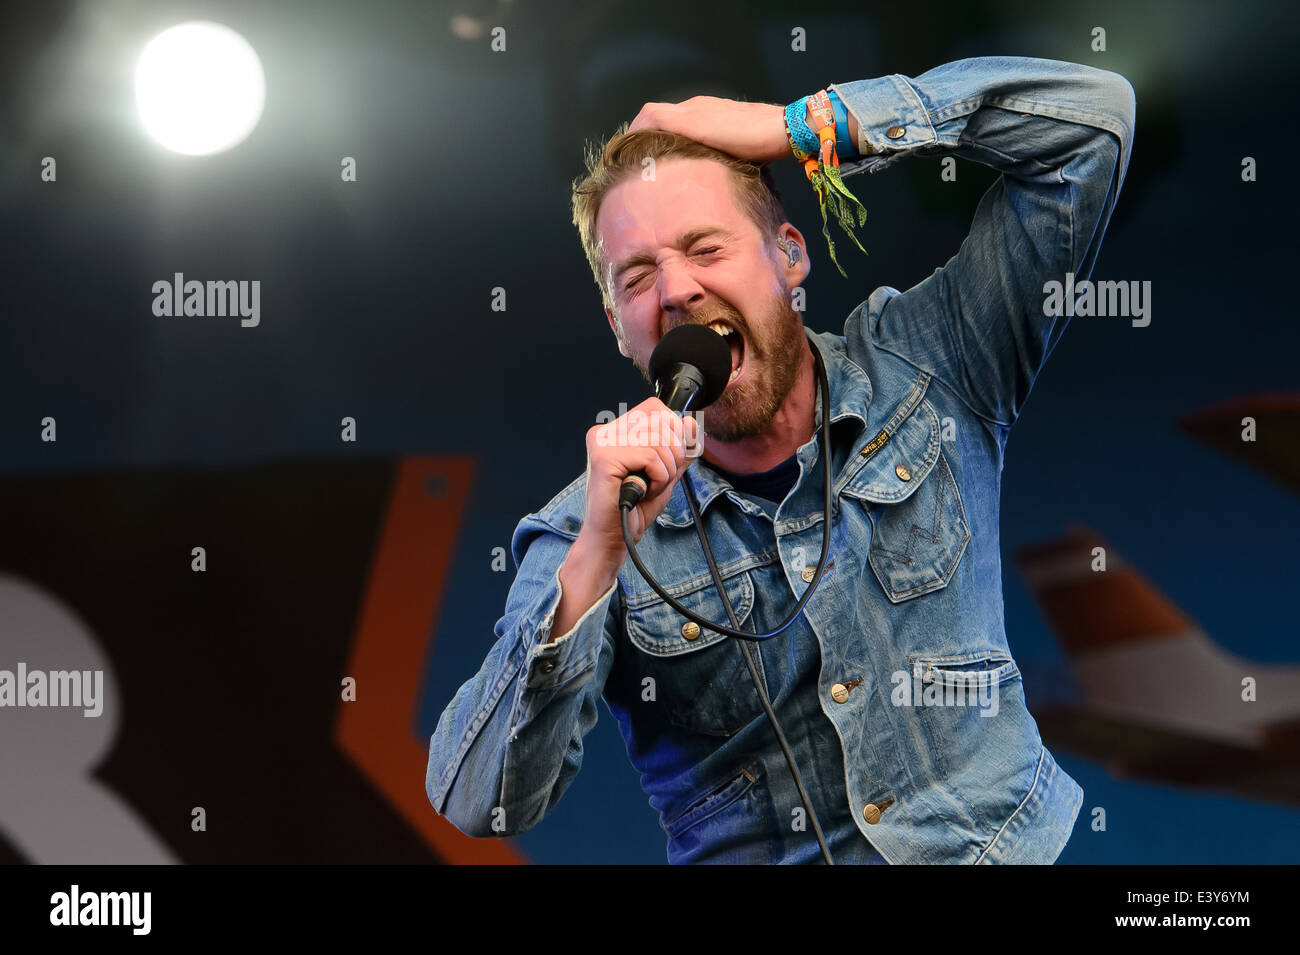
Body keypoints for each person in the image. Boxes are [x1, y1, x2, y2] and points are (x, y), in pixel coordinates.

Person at [425, 55, 1136, 864]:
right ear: (622, 328)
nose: (678, 290)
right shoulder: (591, 523)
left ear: (788, 257)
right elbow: (480, 797)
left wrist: (802, 126)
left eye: (704, 247)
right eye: (637, 276)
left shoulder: (936, 361)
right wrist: (595, 557)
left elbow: (1093, 123)